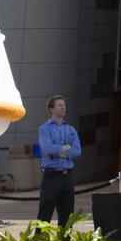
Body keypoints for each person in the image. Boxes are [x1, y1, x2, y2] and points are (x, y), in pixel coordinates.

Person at [37, 95, 81, 226]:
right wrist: (65, 148)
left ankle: (64, 238)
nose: (63, 107)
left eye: (64, 105)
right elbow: (48, 148)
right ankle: (39, 239)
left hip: (67, 176)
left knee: (67, 213)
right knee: (45, 213)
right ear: (51, 109)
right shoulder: (44, 128)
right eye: (60, 105)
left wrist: (61, 153)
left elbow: (77, 150)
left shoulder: (71, 129)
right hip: (51, 176)